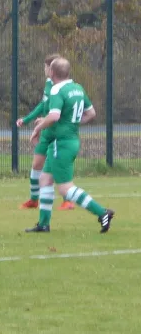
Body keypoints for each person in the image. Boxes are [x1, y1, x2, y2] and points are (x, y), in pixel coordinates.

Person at [26, 57, 114, 233]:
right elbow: (91, 113)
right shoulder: (77, 88)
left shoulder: (57, 90)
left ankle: (102, 212)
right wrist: (72, 124)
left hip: (61, 143)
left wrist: (37, 128)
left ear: (52, 72)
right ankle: (43, 224)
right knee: (45, 179)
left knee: (65, 188)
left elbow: (54, 116)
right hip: (70, 140)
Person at [17, 54, 74, 210]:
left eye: (45, 66)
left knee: (57, 165)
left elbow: (60, 110)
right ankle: (34, 200)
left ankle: (67, 200)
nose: (44, 69)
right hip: (47, 130)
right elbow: (43, 106)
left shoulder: (61, 87)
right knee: (37, 164)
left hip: (57, 131)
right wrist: (27, 119)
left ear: (51, 69)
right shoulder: (49, 84)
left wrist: (46, 119)